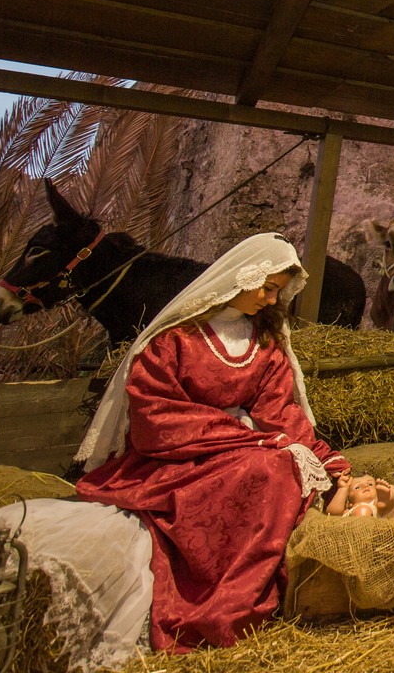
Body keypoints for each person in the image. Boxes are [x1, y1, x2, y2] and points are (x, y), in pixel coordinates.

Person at [74, 232, 349, 651]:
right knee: (266, 467)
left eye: (277, 292)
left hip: (240, 451)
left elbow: (280, 413)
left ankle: (243, 595)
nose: (271, 300)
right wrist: (246, 438)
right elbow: (155, 419)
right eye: (266, 287)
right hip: (179, 458)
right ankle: (213, 602)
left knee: (280, 468)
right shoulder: (174, 340)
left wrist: (325, 461)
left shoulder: (264, 344)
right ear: (241, 276)